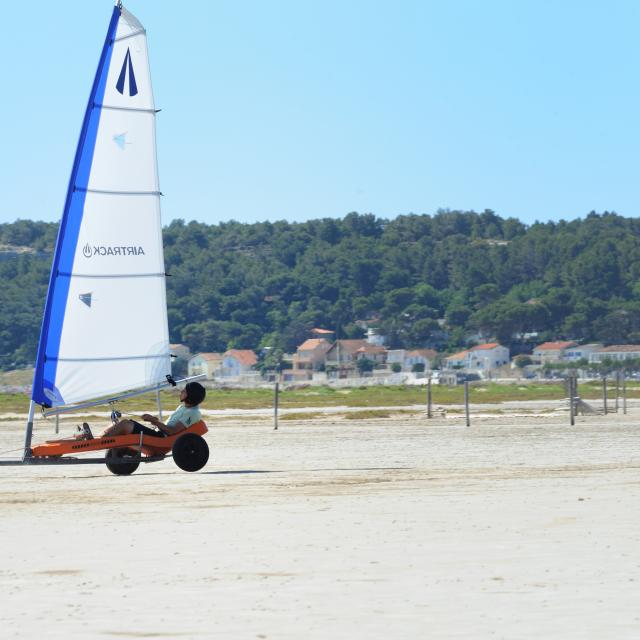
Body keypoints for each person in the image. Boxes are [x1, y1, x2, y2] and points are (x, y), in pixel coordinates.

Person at [80, 382, 206, 439]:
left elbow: (172, 431)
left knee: (125, 424)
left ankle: (98, 441)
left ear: (191, 395)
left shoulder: (193, 413)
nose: (181, 392)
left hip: (160, 437)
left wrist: (153, 421)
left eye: (184, 391)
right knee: (118, 423)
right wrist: (154, 421)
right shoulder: (184, 407)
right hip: (158, 432)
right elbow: (169, 427)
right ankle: (96, 438)